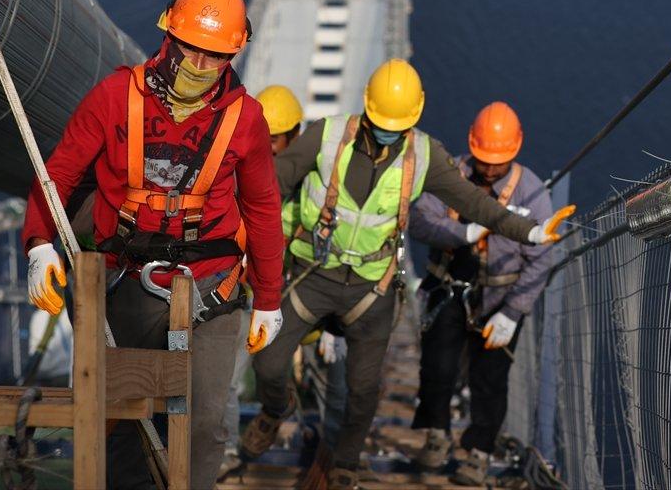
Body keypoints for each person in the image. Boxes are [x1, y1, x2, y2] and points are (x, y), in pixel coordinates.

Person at [238, 59, 572, 489]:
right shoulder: (328, 135)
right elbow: (273, 183)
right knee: (268, 362)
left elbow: (475, 203)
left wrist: (529, 232)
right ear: (367, 109)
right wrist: (240, 235)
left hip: (371, 288)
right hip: (315, 275)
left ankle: (346, 461)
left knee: (363, 388)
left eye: (397, 127)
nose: (388, 133)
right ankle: (273, 409)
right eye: (381, 124)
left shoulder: (423, 155)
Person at [23, 0, 285, 490]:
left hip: (211, 286)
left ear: (233, 55)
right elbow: (61, 173)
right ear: (169, 35)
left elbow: (262, 208)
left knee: (205, 425)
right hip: (128, 281)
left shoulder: (246, 119)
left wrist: (269, 298)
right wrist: (39, 243)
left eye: (216, 56)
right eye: (191, 48)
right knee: (124, 419)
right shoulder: (114, 96)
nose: (201, 65)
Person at [408, 101, 556, 485]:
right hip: (449, 288)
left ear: (514, 151)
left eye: (498, 163)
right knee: (437, 367)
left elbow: (541, 257)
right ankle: (437, 433)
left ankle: (479, 452)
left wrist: (513, 311)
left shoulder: (531, 192)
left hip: (500, 300)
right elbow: (419, 222)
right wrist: (462, 233)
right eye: (484, 160)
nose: (489, 169)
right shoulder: (450, 175)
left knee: (490, 379)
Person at [218, 84, 306, 478]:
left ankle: (287, 417)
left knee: (286, 371)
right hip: (243, 291)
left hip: (294, 292)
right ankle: (223, 450)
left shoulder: (307, 183)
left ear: (295, 136)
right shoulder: (242, 168)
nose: (267, 147)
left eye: (275, 139)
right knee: (227, 377)